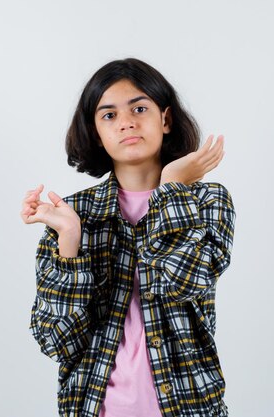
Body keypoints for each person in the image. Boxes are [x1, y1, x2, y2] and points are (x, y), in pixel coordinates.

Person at [20, 58, 236, 417]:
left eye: (139, 108)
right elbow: (56, 341)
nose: (127, 123)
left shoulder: (207, 200)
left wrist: (171, 188)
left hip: (188, 407)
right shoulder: (73, 215)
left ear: (165, 119)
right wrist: (70, 241)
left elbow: (185, 281)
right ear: (96, 133)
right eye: (109, 115)